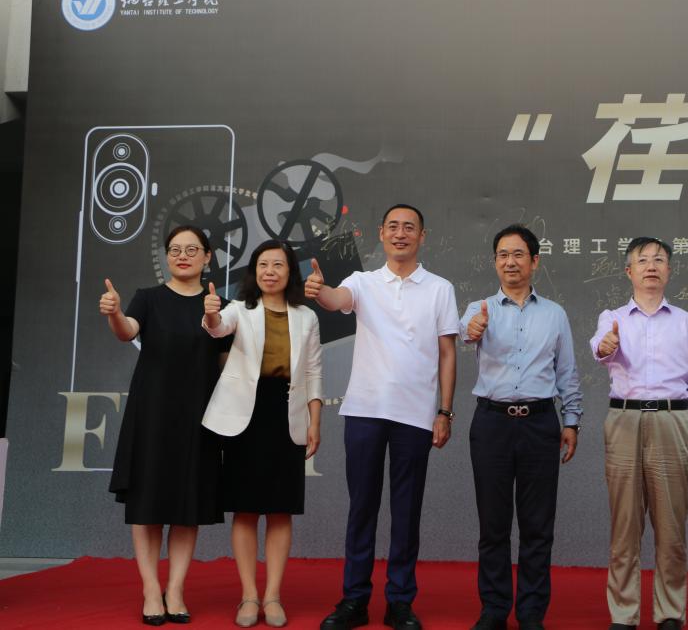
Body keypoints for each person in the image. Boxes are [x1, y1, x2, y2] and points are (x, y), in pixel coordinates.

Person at [308, 204, 458, 630]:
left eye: (409, 227)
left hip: (415, 414)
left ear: (422, 236)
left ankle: (400, 602)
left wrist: (444, 410)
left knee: (406, 512)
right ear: (381, 233)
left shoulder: (440, 289)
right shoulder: (363, 282)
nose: (400, 233)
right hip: (365, 411)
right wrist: (320, 290)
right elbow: (337, 299)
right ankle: (354, 600)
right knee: (362, 508)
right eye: (393, 226)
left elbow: (448, 353)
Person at [101, 225, 226, 626]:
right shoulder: (149, 298)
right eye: (175, 249)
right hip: (151, 413)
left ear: (207, 257)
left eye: (192, 249)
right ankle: (151, 589)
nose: (182, 256)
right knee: (148, 504)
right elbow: (127, 332)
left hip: (200, 416)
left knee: (187, 507)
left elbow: (229, 366)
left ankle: (175, 589)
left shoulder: (220, 304)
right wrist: (115, 313)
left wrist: (216, 319)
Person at [461, 224, 583, 630]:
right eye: (502, 255)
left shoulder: (554, 314)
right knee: (492, 525)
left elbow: (567, 372)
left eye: (517, 254)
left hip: (540, 423)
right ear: (494, 261)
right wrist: (473, 330)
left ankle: (531, 613)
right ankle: (494, 609)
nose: (509, 262)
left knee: (537, 526)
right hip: (492, 423)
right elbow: (466, 333)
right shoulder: (479, 308)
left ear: (534, 261)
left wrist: (571, 420)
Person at [201, 240, 324, 628]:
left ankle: (272, 596)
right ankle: (248, 596)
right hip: (245, 416)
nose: (270, 271)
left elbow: (314, 371)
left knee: (280, 509)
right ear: (254, 272)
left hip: (287, 413)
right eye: (263, 265)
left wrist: (315, 420)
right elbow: (217, 328)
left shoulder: (307, 317)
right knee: (245, 508)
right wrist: (210, 314)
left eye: (278, 265)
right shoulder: (239, 309)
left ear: (290, 272)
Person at [591, 236, 688, 630]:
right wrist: (607, 344)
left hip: (671, 421)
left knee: (671, 527)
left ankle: (670, 613)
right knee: (624, 525)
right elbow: (600, 349)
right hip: (624, 421)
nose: (651, 266)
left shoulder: (684, 321)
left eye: (659, 260)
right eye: (642, 260)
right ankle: (623, 614)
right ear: (629, 271)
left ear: (669, 271)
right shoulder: (613, 317)